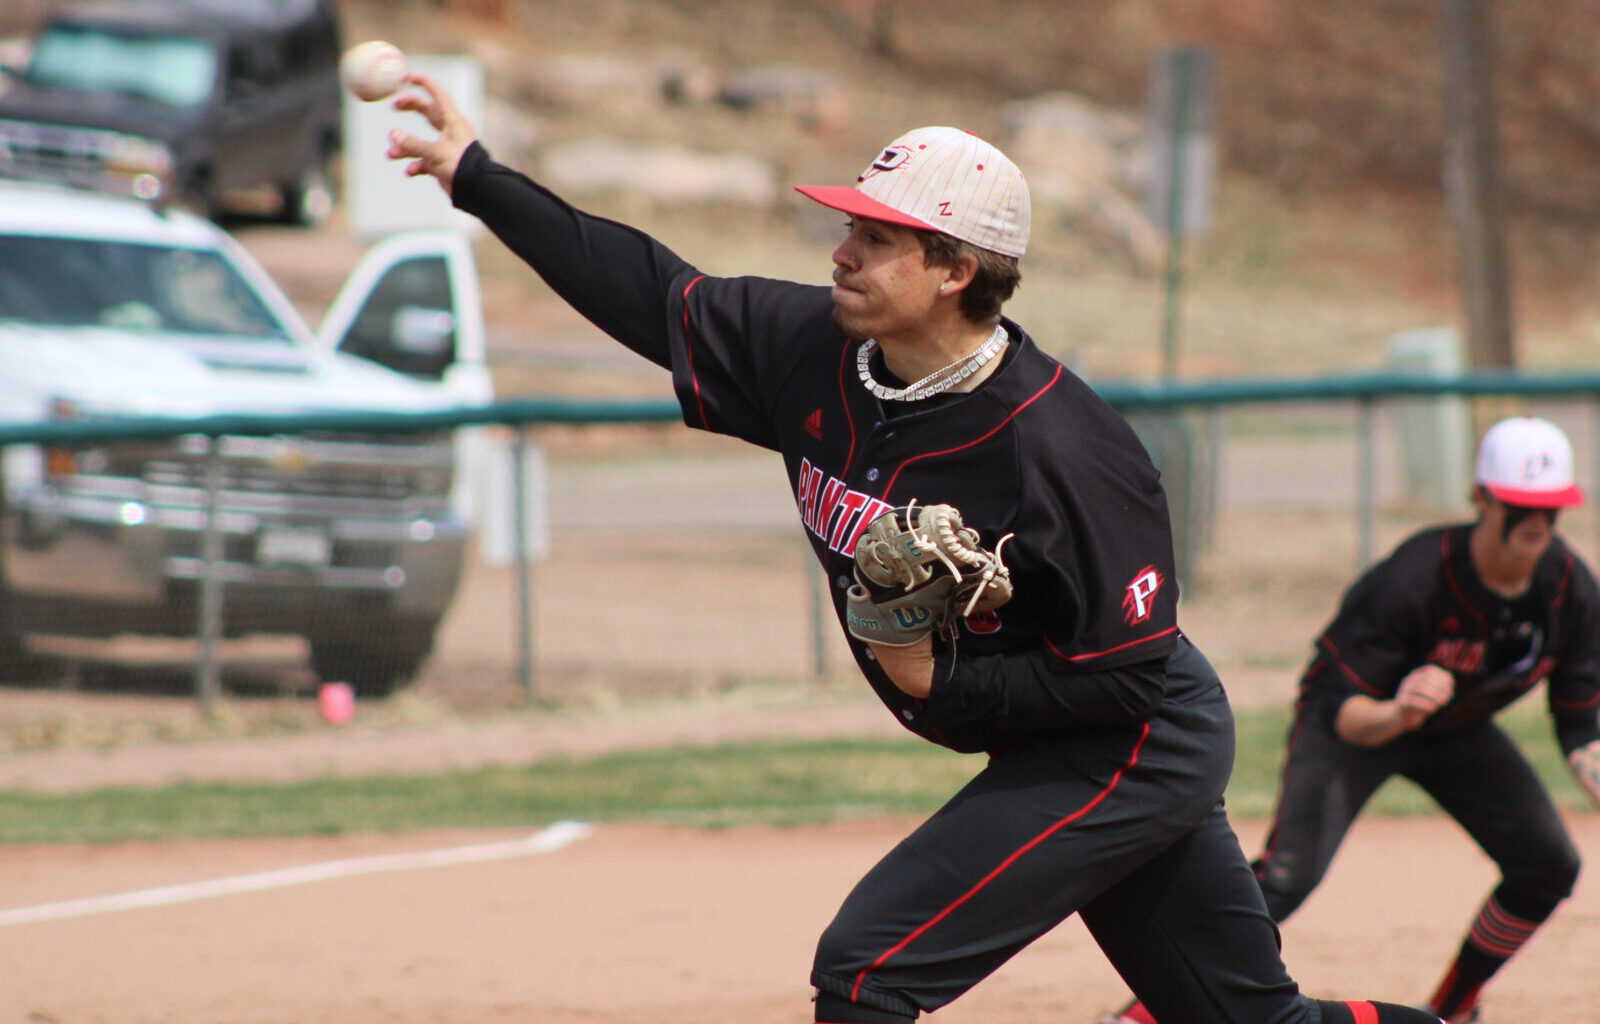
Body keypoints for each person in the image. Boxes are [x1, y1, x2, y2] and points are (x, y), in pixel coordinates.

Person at [383, 73, 1447, 1024]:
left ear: (952, 269)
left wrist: (936, 679)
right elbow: (654, 294)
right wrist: (475, 175)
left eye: (876, 236)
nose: (841, 249)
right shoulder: (818, 351)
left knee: (867, 973)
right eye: (850, 225)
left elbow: (1122, 676)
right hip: (1060, 734)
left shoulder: (1066, 452)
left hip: (1129, 742)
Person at [1101, 414, 1600, 1024]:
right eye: (1521, 507)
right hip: (1354, 722)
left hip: (1454, 731)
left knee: (1549, 864)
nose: (1538, 524)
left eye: (1551, 509)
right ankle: (1140, 1016)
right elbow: (1346, 716)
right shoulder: (1414, 578)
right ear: (1482, 500)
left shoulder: (1569, 588)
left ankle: (1452, 1008)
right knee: (1287, 877)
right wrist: (1397, 710)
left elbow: (1581, 722)